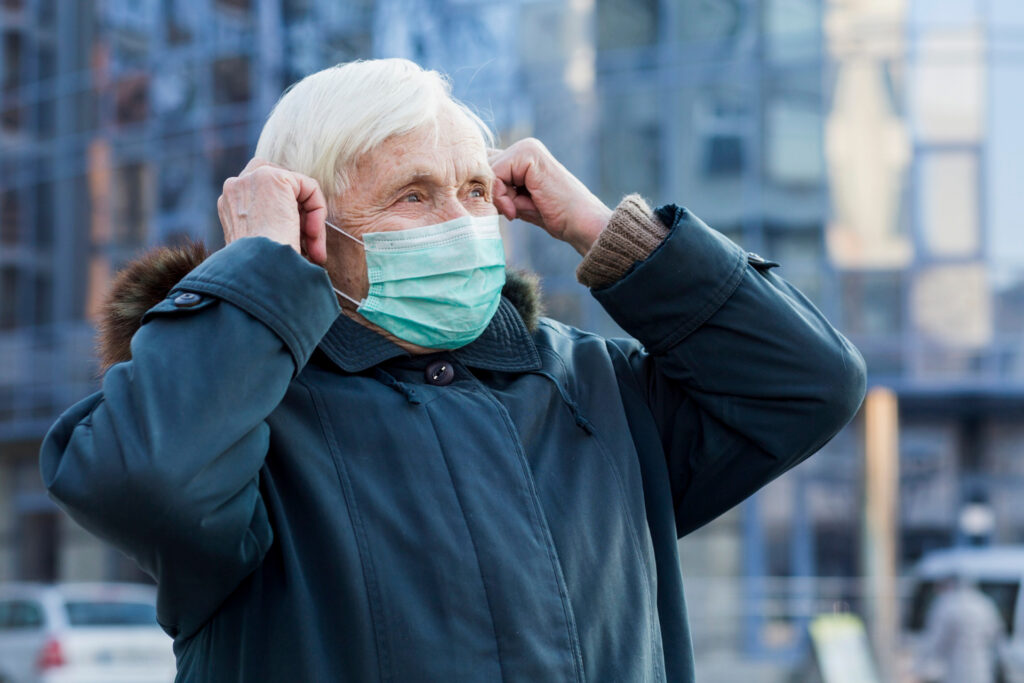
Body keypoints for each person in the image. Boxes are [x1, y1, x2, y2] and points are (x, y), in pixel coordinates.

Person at [39, 58, 866, 682]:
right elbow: (141, 480)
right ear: (312, 225)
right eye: (415, 194)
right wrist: (259, 267)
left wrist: (600, 228)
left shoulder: (594, 391)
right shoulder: (248, 422)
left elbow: (808, 382)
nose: (463, 219)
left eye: (475, 188)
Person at [917, 576, 1005, 683]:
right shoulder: (984, 604)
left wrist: (920, 667)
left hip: (956, 669)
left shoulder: (947, 605)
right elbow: (997, 636)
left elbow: (935, 641)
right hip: (981, 668)